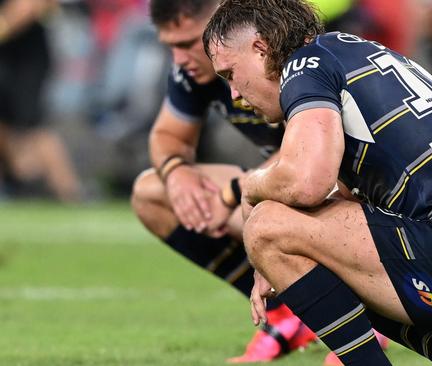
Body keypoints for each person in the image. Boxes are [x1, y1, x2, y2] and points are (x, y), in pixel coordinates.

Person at [203, 0, 432, 365]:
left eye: (229, 74)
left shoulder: (304, 66)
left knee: (266, 224)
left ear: (261, 49)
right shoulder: (356, 53)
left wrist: (250, 188)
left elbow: (307, 182)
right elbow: (342, 207)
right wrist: (273, 259)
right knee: (311, 238)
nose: (235, 96)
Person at [129, 0, 315, 363]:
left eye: (186, 43)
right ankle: (284, 313)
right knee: (152, 192)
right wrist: (177, 172)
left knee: (261, 211)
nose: (178, 59)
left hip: (345, 184)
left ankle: (365, 318)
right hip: (282, 182)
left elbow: (314, 151)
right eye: (170, 46)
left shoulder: (289, 54)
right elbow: (167, 136)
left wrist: (238, 191)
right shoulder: (192, 72)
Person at [0, 0, 82, 202]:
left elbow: (28, 7)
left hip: (25, 55)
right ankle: (21, 174)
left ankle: (70, 192)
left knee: (33, 125)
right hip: (9, 53)